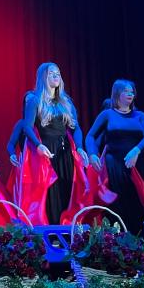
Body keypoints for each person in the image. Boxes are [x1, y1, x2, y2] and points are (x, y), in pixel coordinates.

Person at [17, 62, 87, 225]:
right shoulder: (35, 101)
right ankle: (52, 230)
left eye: (58, 73)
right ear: (43, 77)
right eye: (51, 73)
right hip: (47, 152)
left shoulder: (66, 102)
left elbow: (76, 128)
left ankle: (67, 227)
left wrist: (80, 147)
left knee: (67, 190)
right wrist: (38, 145)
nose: (56, 76)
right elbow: (27, 127)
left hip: (65, 153)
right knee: (51, 193)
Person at [86, 79, 144, 229]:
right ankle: (117, 239)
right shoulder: (107, 114)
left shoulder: (140, 115)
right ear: (117, 94)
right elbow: (90, 136)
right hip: (114, 166)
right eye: (126, 91)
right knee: (117, 205)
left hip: (136, 165)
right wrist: (92, 154)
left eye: (132, 92)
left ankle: (139, 238)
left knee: (138, 204)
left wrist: (136, 150)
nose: (130, 94)